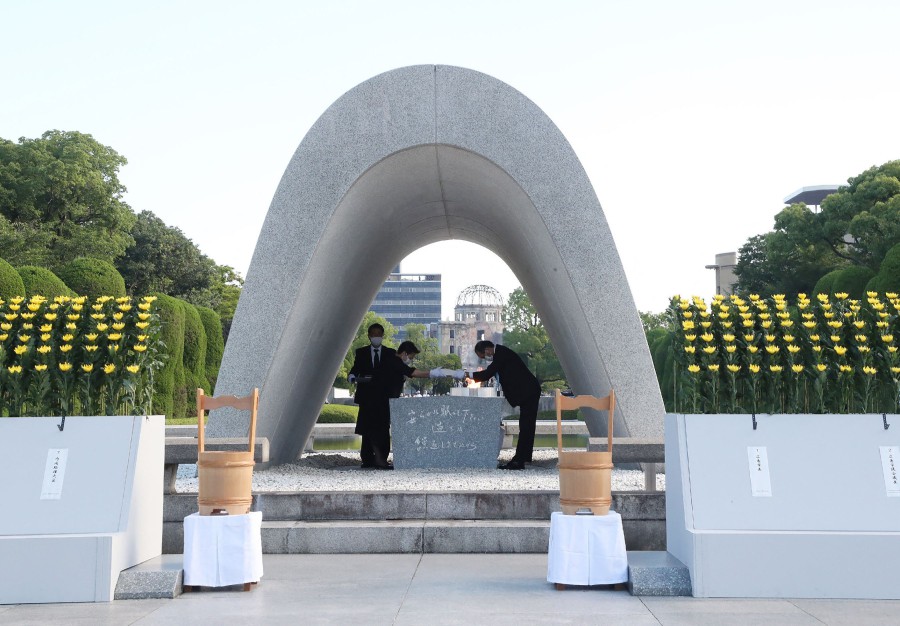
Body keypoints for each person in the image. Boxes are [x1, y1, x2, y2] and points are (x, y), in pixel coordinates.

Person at [470, 340, 541, 470]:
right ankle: (524, 457)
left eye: (482, 356)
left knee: (526, 426)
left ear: (487, 350)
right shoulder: (501, 353)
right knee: (527, 425)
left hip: (529, 391)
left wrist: (467, 375)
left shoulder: (501, 354)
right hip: (529, 391)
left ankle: (519, 461)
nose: (485, 359)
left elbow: (487, 374)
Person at [348, 324, 396, 470]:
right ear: (369, 335)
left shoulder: (390, 353)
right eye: (373, 334)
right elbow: (355, 369)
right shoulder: (361, 352)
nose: (376, 336)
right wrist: (351, 376)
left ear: (382, 335)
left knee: (383, 428)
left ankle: (382, 458)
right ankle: (367, 459)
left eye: (379, 334)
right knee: (367, 428)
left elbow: (395, 372)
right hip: (367, 397)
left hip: (384, 398)